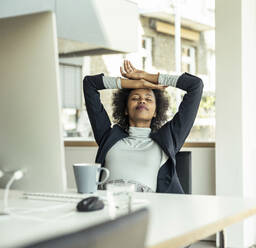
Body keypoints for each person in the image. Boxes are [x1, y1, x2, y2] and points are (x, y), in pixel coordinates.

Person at [83, 60, 203, 194]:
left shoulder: (169, 139)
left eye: (148, 99)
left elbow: (195, 86)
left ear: (156, 112)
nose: (142, 100)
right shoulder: (108, 136)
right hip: (108, 207)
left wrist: (148, 77)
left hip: (147, 209)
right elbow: (90, 84)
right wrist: (135, 83)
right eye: (135, 98)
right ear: (125, 109)